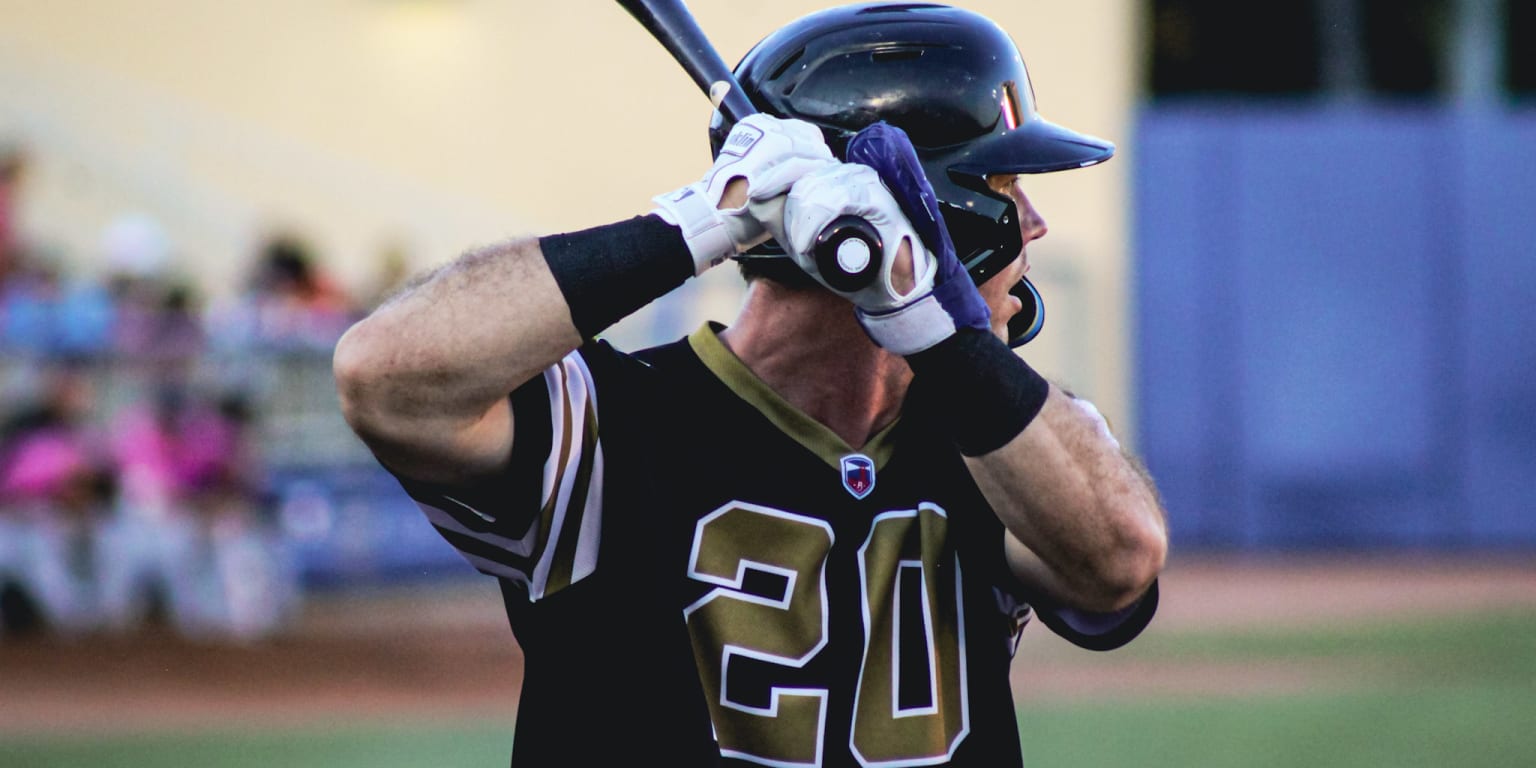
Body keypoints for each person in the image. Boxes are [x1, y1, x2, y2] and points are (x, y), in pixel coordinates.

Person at [334, 4, 1168, 766]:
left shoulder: (999, 439)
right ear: (932, 206)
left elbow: (1119, 561)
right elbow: (384, 377)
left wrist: (931, 328)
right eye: (1004, 185)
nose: (1034, 222)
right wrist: (701, 221)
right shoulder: (609, 424)